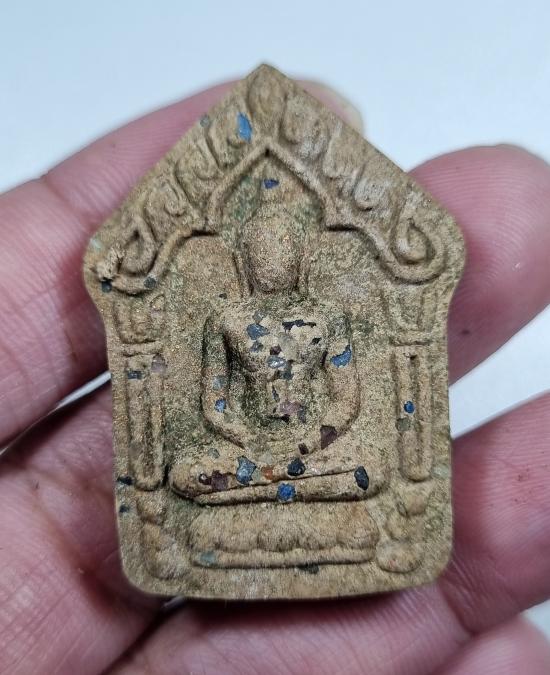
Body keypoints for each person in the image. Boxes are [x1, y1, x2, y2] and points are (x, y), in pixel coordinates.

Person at [0, 80, 549, 674]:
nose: (270, 262)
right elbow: (213, 403)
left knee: (369, 469)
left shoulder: (324, 318)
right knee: (188, 474)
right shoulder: (228, 320)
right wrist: (245, 439)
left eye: (280, 253)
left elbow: (345, 402)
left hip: (319, 455)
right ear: (246, 260)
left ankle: (279, 508)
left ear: (296, 259)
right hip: (243, 454)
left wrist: (310, 441)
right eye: (260, 254)